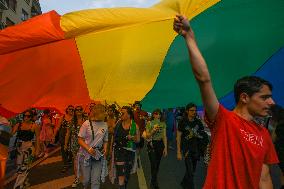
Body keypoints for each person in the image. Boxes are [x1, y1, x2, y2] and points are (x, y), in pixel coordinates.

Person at [173, 15, 279, 189]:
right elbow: (203, 79)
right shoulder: (223, 119)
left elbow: (265, 178)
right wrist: (189, 36)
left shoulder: (264, 135)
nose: (272, 102)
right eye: (265, 97)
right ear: (244, 98)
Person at [176, 103, 208, 189]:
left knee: (192, 171)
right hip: (187, 150)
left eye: (195, 110)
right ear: (187, 111)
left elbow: (203, 135)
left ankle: (184, 183)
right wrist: (178, 151)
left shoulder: (198, 122)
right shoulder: (182, 122)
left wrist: (204, 149)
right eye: (191, 110)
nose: (194, 112)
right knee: (190, 171)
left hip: (196, 150)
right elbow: (178, 136)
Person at [78, 104, 108, 189]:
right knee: (86, 180)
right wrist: (88, 148)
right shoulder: (86, 123)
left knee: (96, 180)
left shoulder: (105, 124)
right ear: (98, 112)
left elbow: (105, 140)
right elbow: (80, 139)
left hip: (97, 155)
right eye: (104, 111)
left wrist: (105, 148)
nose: (106, 113)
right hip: (85, 155)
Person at [113, 106, 140, 189]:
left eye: (123, 113)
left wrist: (132, 138)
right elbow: (114, 137)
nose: (121, 114)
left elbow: (138, 140)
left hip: (129, 151)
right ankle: (122, 186)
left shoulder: (135, 126)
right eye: (121, 112)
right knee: (120, 173)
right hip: (119, 150)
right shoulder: (118, 123)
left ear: (129, 115)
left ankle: (124, 184)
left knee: (127, 174)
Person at [144, 109, 167, 189]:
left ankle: (154, 179)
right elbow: (147, 136)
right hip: (152, 144)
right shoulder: (149, 123)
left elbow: (164, 136)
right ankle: (154, 182)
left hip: (160, 145)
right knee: (153, 163)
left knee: (157, 164)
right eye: (156, 114)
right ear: (153, 115)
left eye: (159, 114)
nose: (157, 115)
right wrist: (153, 130)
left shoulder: (163, 123)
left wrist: (165, 148)